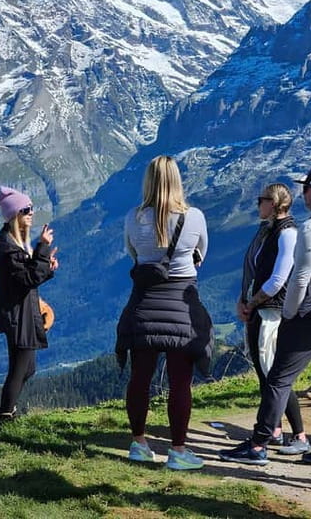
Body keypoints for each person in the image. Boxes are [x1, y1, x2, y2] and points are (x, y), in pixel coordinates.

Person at [115, 155, 212, 471]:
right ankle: (178, 450)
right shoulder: (194, 217)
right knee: (180, 382)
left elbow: (133, 254)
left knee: (140, 377)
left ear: (148, 181)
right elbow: (201, 253)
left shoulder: (133, 218)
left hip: (143, 303)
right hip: (181, 305)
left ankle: (139, 444)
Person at [219, 182, 304, 465]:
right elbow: (255, 270)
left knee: (274, 374)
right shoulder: (267, 230)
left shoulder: (287, 233)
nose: (257, 204)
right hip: (259, 308)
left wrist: (253, 301)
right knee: (265, 372)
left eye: (262, 199)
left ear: (274, 203)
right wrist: (243, 300)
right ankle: (275, 429)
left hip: (272, 312)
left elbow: (278, 279)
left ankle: (299, 434)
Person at [0, 186, 59, 426]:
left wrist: (46, 267)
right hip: (18, 315)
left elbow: (26, 278)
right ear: (14, 215)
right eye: (26, 210)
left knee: (28, 369)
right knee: (19, 370)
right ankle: (5, 419)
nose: (31, 213)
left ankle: (8, 413)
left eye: (31, 208)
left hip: (20, 311)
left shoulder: (13, 244)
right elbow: (28, 279)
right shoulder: (10, 250)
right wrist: (43, 249)